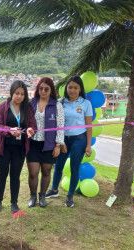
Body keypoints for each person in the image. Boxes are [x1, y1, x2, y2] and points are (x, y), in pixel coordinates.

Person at [45, 75, 93, 208]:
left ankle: (70, 195)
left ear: (80, 89)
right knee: (59, 165)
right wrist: (59, 142)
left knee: (74, 167)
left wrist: (88, 145)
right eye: (70, 87)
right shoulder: (60, 102)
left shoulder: (85, 103)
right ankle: (54, 190)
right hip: (63, 139)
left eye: (76, 88)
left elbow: (89, 126)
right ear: (66, 88)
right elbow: (56, 123)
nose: (72, 90)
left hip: (79, 139)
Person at [0, 80, 37, 213]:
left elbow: (32, 124)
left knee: (15, 175)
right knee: (2, 174)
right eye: (17, 93)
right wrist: (9, 130)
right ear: (11, 93)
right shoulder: (2, 107)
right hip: (3, 146)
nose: (19, 96)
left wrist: (30, 129)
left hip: (20, 147)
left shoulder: (27, 108)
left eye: (22, 94)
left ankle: (14, 202)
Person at [27, 77, 64, 208]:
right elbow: (25, 121)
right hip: (33, 143)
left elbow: (60, 126)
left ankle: (42, 196)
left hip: (49, 144)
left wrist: (58, 145)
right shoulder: (31, 103)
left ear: (51, 90)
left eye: (46, 89)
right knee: (33, 172)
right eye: (41, 88)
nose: (43, 91)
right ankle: (33, 196)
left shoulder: (56, 105)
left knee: (46, 172)